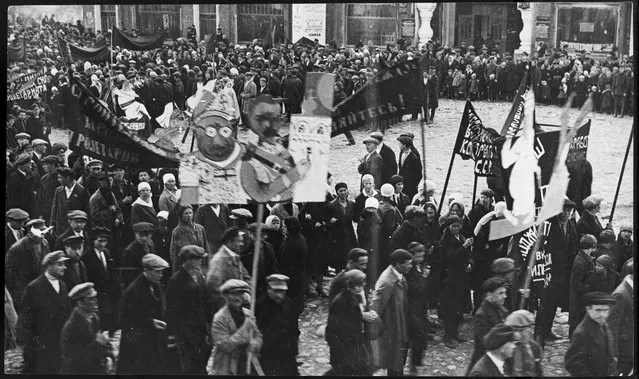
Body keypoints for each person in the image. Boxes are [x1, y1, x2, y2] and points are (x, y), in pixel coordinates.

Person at [17, 251, 72, 374]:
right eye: (60, 264)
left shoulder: (63, 285)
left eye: (64, 264)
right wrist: (30, 348)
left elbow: (67, 314)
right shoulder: (34, 287)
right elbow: (26, 321)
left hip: (59, 343)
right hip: (42, 345)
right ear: (49, 265)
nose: (64, 267)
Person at [117, 254, 170, 374]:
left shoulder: (155, 284)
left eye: (161, 272)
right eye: (158, 272)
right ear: (146, 270)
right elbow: (124, 319)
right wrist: (150, 322)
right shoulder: (133, 291)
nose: (161, 275)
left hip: (151, 339)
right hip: (137, 344)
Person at [166, 245, 212, 374]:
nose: (200, 262)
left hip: (201, 327)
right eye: (197, 259)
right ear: (187, 260)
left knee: (201, 359)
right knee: (189, 362)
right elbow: (171, 309)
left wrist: (209, 323)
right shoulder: (176, 280)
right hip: (185, 329)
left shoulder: (199, 276)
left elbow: (206, 301)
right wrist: (172, 333)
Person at [539, 197, 579, 342]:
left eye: (569, 210)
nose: (567, 212)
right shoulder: (549, 225)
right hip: (551, 271)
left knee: (555, 302)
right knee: (547, 302)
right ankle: (542, 331)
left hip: (565, 271)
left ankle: (547, 330)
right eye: (564, 209)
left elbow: (573, 244)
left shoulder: (570, 225)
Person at [371, 249, 413, 376]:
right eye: (408, 264)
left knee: (398, 362)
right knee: (394, 364)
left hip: (400, 327)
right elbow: (376, 309)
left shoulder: (398, 276)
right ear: (398, 264)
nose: (411, 266)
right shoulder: (387, 282)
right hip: (393, 331)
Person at [210, 279, 263, 375]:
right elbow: (224, 346)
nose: (238, 298)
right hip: (227, 366)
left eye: (241, 294)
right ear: (225, 295)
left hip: (246, 363)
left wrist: (254, 345)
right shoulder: (220, 318)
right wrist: (244, 329)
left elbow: (258, 335)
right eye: (234, 294)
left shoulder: (248, 314)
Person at [59, 283, 112, 374]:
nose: (95, 301)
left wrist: (108, 355)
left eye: (95, 297)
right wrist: (98, 343)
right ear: (80, 303)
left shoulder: (93, 317)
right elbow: (75, 360)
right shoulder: (71, 327)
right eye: (91, 299)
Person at [439, 214, 474, 348]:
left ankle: (455, 333)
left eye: (458, 226)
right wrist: (464, 246)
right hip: (450, 278)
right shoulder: (445, 240)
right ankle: (448, 336)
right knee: (451, 309)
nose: (456, 229)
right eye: (453, 226)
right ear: (448, 227)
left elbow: (469, 254)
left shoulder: (462, 237)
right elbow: (450, 257)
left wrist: (470, 263)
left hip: (461, 276)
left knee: (459, 307)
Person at [256, 274, 301, 376]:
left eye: (283, 291)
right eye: (276, 291)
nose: (280, 295)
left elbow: (294, 327)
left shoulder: (289, 303)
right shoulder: (260, 305)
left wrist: (295, 348)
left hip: (287, 350)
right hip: (268, 352)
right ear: (268, 289)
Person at [564, 291, 618, 376]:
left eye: (605, 310)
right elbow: (572, 364)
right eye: (598, 310)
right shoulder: (581, 334)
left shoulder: (603, 325)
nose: (602, 314)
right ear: (588, 309)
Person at [5, 218, 51, 312]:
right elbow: (11, 277)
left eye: (44, 231)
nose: (43, 234)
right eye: (40, 232)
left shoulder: (44, 243)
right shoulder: (17, 249)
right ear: (30, 232)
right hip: (24, 292)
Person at [81, 227, 120, 336]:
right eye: (100, 241)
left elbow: (112, 273)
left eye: (105, 241)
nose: (103, 244)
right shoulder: (87, 257)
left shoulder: (106, 253)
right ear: (93, 241)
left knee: (110, 320)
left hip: (108, 294)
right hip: (97, 294)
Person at [466, 277, 509, 374]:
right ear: (489, 295)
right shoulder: (482, 315)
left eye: (505, 293)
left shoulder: (502, 310)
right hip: (486, 360)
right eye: (500, 293)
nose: (505, 296)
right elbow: (486, 342)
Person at [206, 227, 252, 315]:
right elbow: (213, 289)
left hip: (239, 307)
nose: (242, 244)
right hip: (227, 311)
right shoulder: (219, 260)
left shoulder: (234, 256)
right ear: (229, 242)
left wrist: (248, 293)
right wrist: (231, 307)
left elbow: (247, 277)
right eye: (238, 241)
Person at [405, 243, 430, 374]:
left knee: (421, 336)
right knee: (417, 334)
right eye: (419, 256)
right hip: (412, 308)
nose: (421, 258)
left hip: (420, 307)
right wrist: (424, 277)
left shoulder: (420, 267)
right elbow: (416, 289)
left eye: (422, 255)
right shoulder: (410, 270)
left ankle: (416, 362)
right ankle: (413, 364)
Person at [569, 234, 598, 337]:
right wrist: (589, 288)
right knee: (576, 325)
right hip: (579, 300)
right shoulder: (581, 262)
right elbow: (576, 284)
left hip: (582, 298)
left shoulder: (584, 258)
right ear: (592, 246)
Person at [607, 268, 634, 375]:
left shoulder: (629, 290)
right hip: (624, 351)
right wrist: (613, 354)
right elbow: (611, 326)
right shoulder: (621, 294)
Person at [50, 167, 91, 236]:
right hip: (61, 228)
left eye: (60, 178)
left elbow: (87, 211)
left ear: (68, 178)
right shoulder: (58, 190)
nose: (58, 180)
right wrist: (51, 225)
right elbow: (54, 208)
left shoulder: (82, 191)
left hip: (76, 228)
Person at [328, 182, 358, 273]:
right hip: (337, 235)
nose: (343, 193)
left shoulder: (351, 204)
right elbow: (327, 219)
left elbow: (355, 218)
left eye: (345, 190)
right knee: (338, 259)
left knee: (349, 257)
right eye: (340, 191)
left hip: (349, 234)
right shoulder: (332, 205)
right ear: (337, 193)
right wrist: (330, 221)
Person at [169, 204, 208, 272]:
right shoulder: (178, 230)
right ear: (181, 215)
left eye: (190, 213)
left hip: (201, 264)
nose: (189, 215)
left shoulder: (200, 228)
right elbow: (186, 251)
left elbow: (206, 246)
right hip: (187, 266)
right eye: (186, 213)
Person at [504, 310, 543, 376]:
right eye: (528, 328)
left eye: (530, 327)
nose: (531, 331)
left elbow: (538, 368)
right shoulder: (506, 348)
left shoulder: (533, 346)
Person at [120, 222, 156, 288]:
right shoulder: (129, 251)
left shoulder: (151, 244)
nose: (144, 238)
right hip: (136, 285)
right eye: (141, 235)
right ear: (135, 235)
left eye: (146, 235)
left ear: (151, 235)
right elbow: (128, 275)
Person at [396, 135, 422, 202]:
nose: (398, 145)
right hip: (402, 184)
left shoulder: (413, 157)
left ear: (404, 145)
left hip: (410, 186)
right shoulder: (401, 153)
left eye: (400, 144)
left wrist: (412, 185)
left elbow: (418, 174)